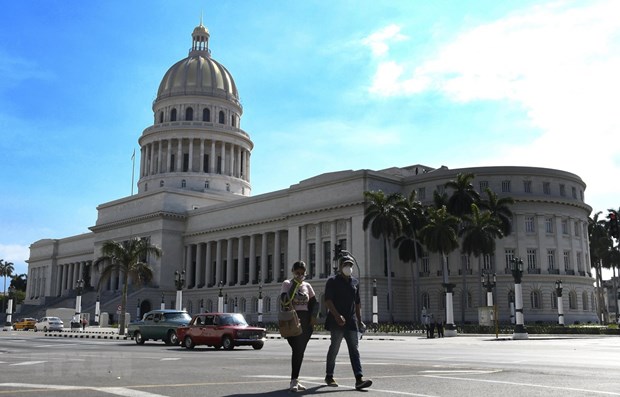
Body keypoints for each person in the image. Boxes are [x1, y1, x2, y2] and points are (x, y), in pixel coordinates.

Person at [324, 254, 372, 390]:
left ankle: (359, 378)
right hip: (336, 322)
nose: (348, 267)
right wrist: (337, 315)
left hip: (351, 322)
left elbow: (357, 303)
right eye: (346, 265)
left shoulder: (355, 282)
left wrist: (360, 321)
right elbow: (328, 301)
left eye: (350, 265)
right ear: (340, 267)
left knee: (354, 350)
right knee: (334, 348)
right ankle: (329, 375)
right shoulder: (332, 281)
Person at [280, 261, 319, 392]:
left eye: (302, 273)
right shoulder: (287, 284)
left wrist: (314, 317)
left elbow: (315, 303)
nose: (300, 275)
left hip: (306, 321)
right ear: (293, 271)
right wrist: (296, 283)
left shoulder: (307, 285)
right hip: (292, 320)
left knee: (300, 351)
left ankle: (295, 380)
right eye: (298, 273)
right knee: (297, 349)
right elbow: (286, 300)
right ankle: (294, 381)